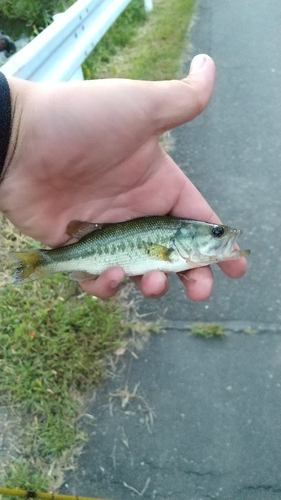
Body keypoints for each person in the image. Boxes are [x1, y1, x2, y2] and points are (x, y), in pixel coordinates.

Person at [0, 54, 247, 300]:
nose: (224, 234)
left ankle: (43, 262)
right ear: (186, 237)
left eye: (217, 232)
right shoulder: (171, 248)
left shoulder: (174, 250)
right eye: (217, 232)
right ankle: (42, 262)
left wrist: (18, 128)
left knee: (148, 281)